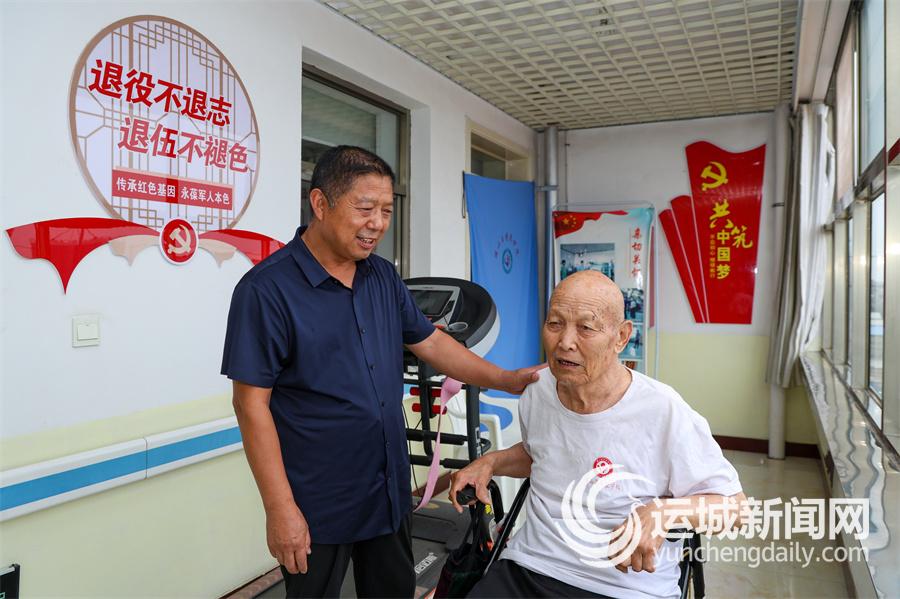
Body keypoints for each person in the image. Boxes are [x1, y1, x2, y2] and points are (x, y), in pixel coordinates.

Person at [221, 146, 541, 599]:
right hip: (316, 503)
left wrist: (508, 379)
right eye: (365, 208)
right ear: (320, 203)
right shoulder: (266, 290)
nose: (377, 223)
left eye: (387, 211)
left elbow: (431, 343)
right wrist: (280, 509)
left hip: (387, 492)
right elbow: (251, 405)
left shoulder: (382, 277)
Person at [449, 271, 745, 599]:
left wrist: (661, 513)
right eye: (555, 323)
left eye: (586, 328)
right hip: (532, 566)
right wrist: (491, 462)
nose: (565, 342)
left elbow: (734, 509)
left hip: (626, 587)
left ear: (621, 337)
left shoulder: (663, 410)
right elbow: (543, 455)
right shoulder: (538, 390)